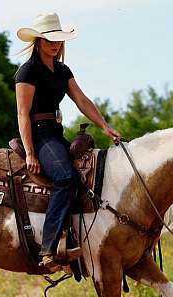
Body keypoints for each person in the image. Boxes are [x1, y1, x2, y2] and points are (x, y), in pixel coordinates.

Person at [15, 12, 121, 272]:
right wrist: (30, 152)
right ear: (38, 40)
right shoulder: (27, 71)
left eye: (59, 40)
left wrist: (104, 126)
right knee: (66, 177)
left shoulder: (62, 70)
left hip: (56, 131)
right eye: (50, 39)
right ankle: (49, 249)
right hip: (39, 133)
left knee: (91, 174)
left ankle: (78, 239)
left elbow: (82, 101)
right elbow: (22, 114)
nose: (55, 44)